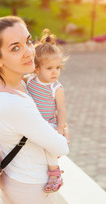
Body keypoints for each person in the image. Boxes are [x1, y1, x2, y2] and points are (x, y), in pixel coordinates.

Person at [0, 15, 69, 204]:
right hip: (33, 185)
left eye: (28, 41)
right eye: (15, 48)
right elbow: (60, 147)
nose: (29, 52)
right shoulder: (16, 103)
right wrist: (64, 131)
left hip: (9, 175)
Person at [25, 29, 68, 193]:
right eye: (49, 68)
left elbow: (62, 109)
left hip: (49, 122)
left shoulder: (56, 88)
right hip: (33, 122)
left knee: (49, 145)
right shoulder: (30, 80)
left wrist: (60, 128)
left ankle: (55, 173)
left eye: (58, 67)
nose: (55, 72)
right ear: (37, 68)